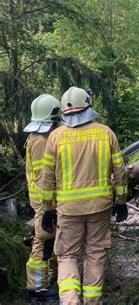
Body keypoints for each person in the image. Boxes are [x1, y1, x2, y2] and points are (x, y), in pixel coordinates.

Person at [39, 87, 128, 304]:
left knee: (67, 256)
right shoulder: (106, 133)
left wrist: (47, 209)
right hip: (100, 207)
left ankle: (70, 301)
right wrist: (121, 201)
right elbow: (120, 171)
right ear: (88, 105)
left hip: (68, 210)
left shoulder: (55, 137)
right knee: (95, 254)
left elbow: (47, 178)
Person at [24, 94, 61, 302]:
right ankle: (36, 289)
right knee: (43, 241)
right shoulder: (40, 140)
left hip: (46, 200)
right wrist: (49, 206)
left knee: (51, 241)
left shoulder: (40, 136)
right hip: (44, 202)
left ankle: (48, 282)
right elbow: (43, 177)